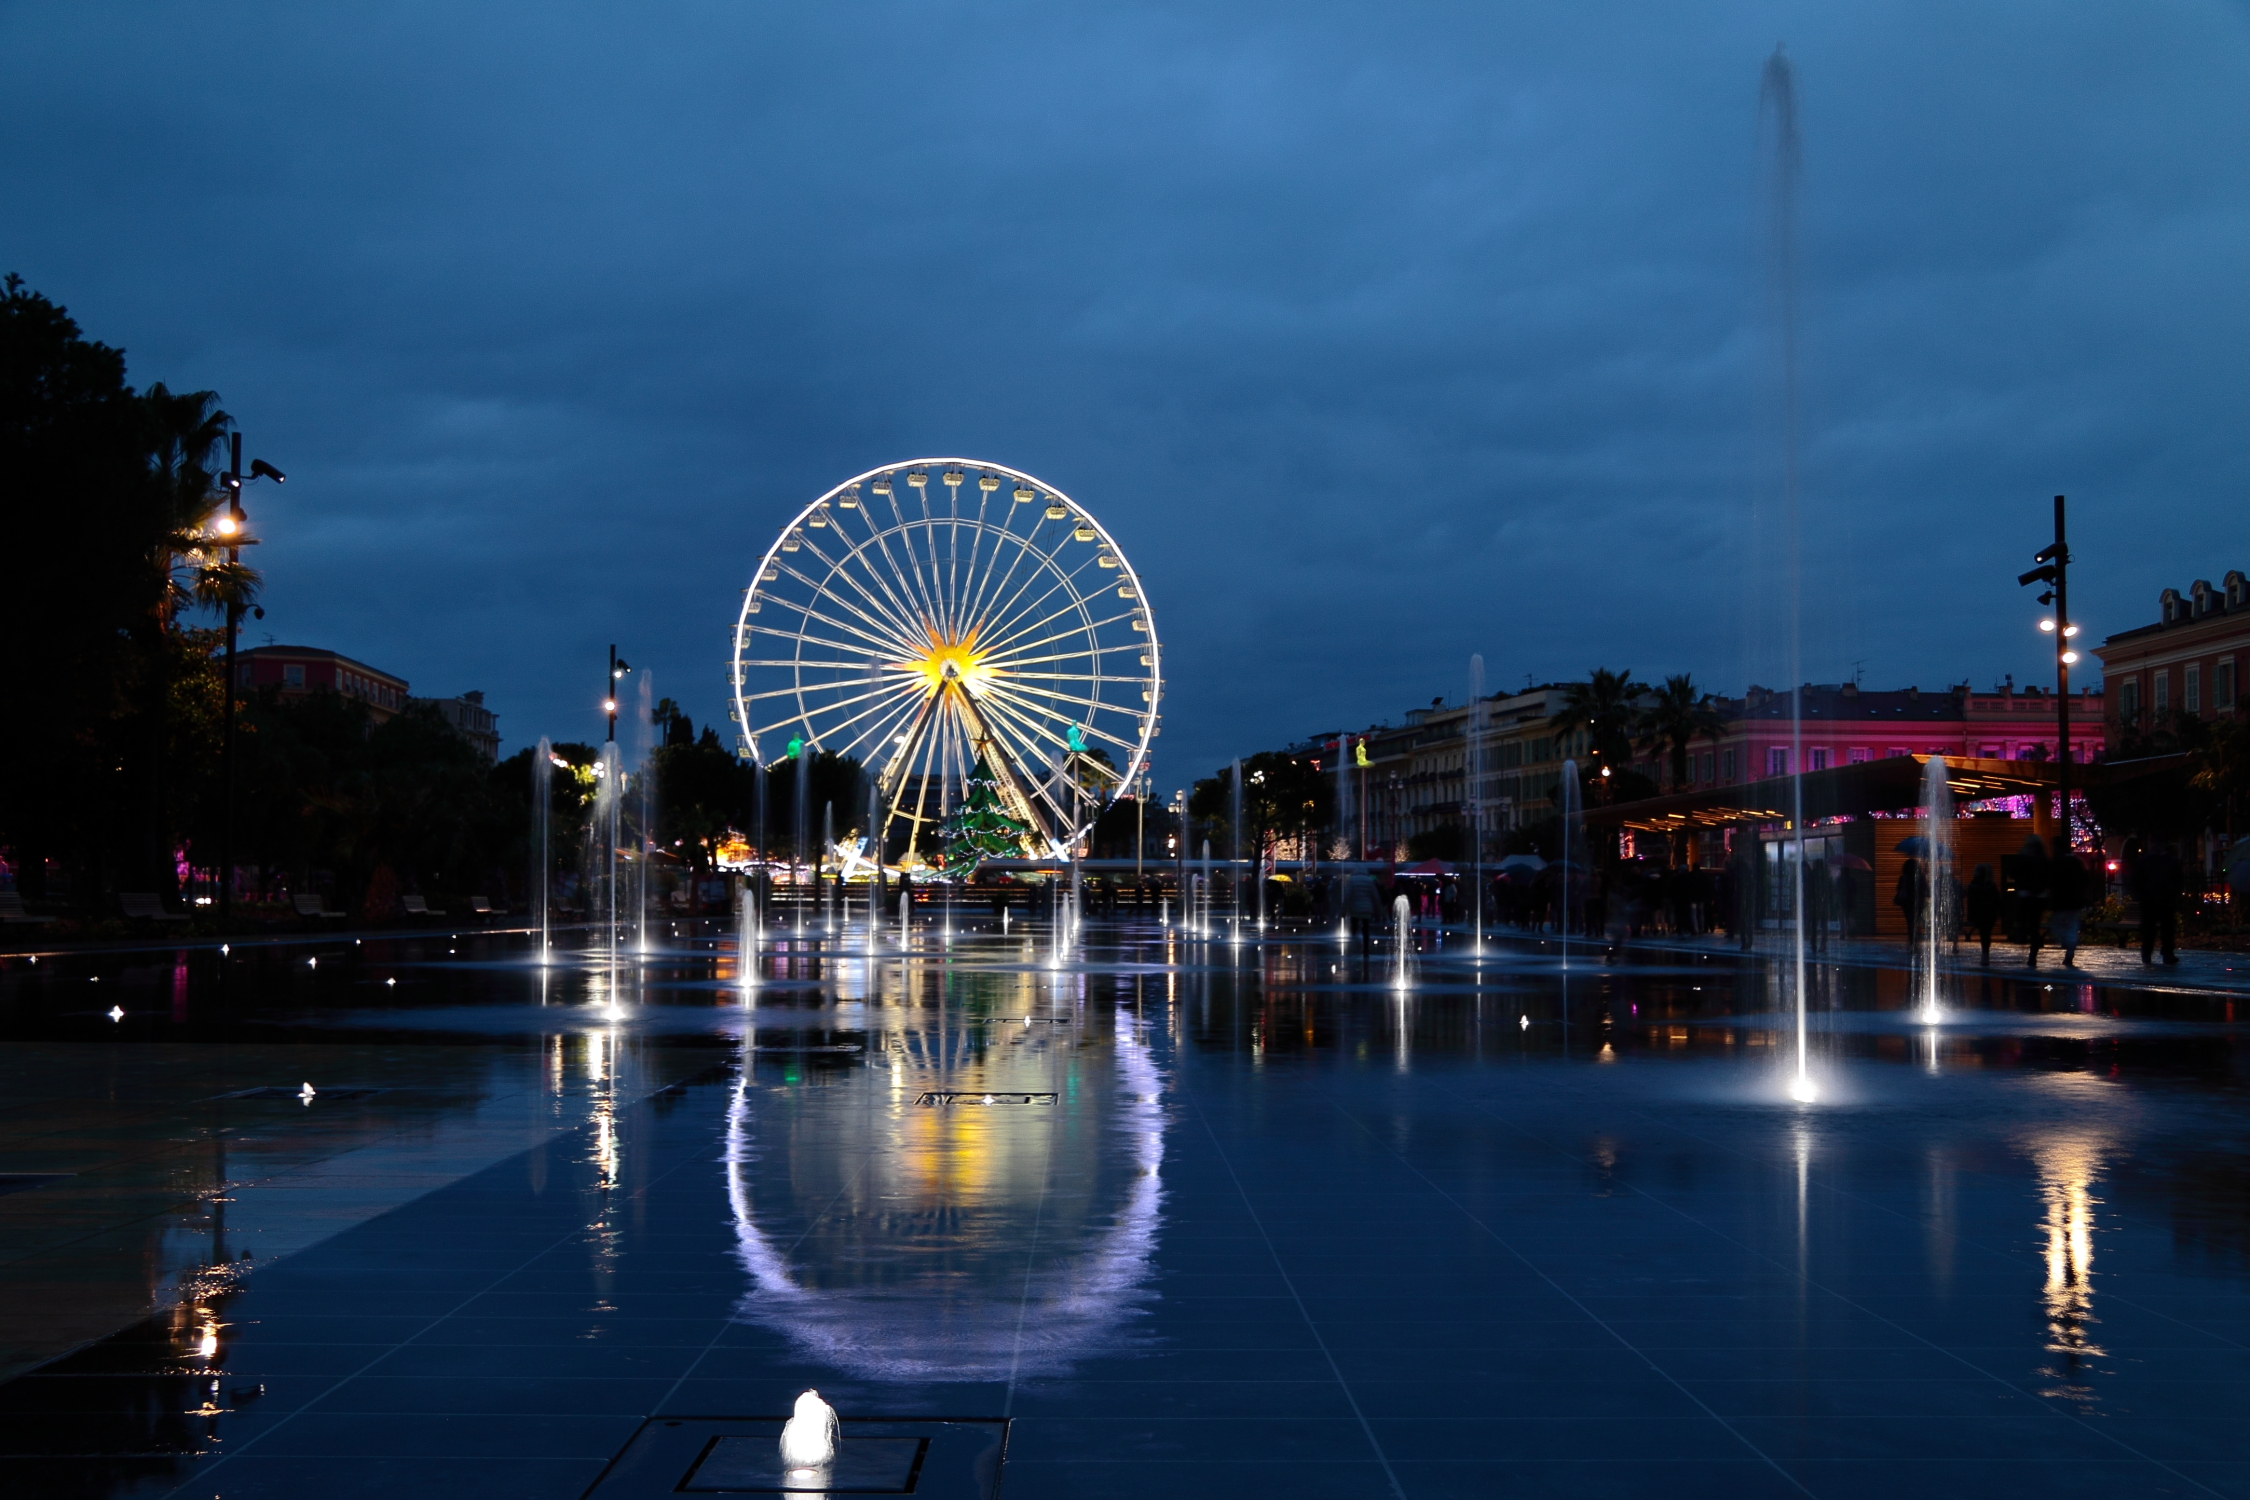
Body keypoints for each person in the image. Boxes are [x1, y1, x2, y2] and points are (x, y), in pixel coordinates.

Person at [2136, 841, 2182, 965]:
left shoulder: (2144, 861)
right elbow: (2179, 880)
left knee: (2149, 929)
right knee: (2167, 928)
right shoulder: (2171, 861)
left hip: (2150, 900)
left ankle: (2147, 952)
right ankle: (2167, 953)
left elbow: (2137, 880)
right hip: (2166, 898)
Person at [2045, 838, 2088, 968]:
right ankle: (2070, 947)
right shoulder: (2077, 861)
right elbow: (2085, 879)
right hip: (2075, 900)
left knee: (2058, 925)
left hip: (2061, 900)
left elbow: (2051, 880)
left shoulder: (2056, 862)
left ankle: (2068, 942)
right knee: (2072, 925)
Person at [2015, 836, 2051, 968]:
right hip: (2040, 896)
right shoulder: (2044, 859)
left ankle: (2022, 938)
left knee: (2023, 921)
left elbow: (2014, 872)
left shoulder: (2024, 857)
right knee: (2034, 925)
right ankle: (2032, 955)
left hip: (2025, 894)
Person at [1964, 864, 2001, 966]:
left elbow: (1971, 903)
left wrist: (1970, 917)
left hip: (1979, 913)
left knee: (1983, 934)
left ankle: (1985, 955)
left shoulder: (1973, 885)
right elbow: (1997, 900)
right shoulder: (1991, 885)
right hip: (1990, 913)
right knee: (1986, 934)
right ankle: (1985, 954)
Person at [1894, 855, 1928, 948]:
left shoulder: (1904, 878)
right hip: (1918, 902)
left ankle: (1913, 942)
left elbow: (1898, 889)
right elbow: (1926, 890)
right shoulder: (1920, 877)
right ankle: (1916, 939)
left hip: (1907, 903)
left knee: (1910, 923)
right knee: (1916, 921)